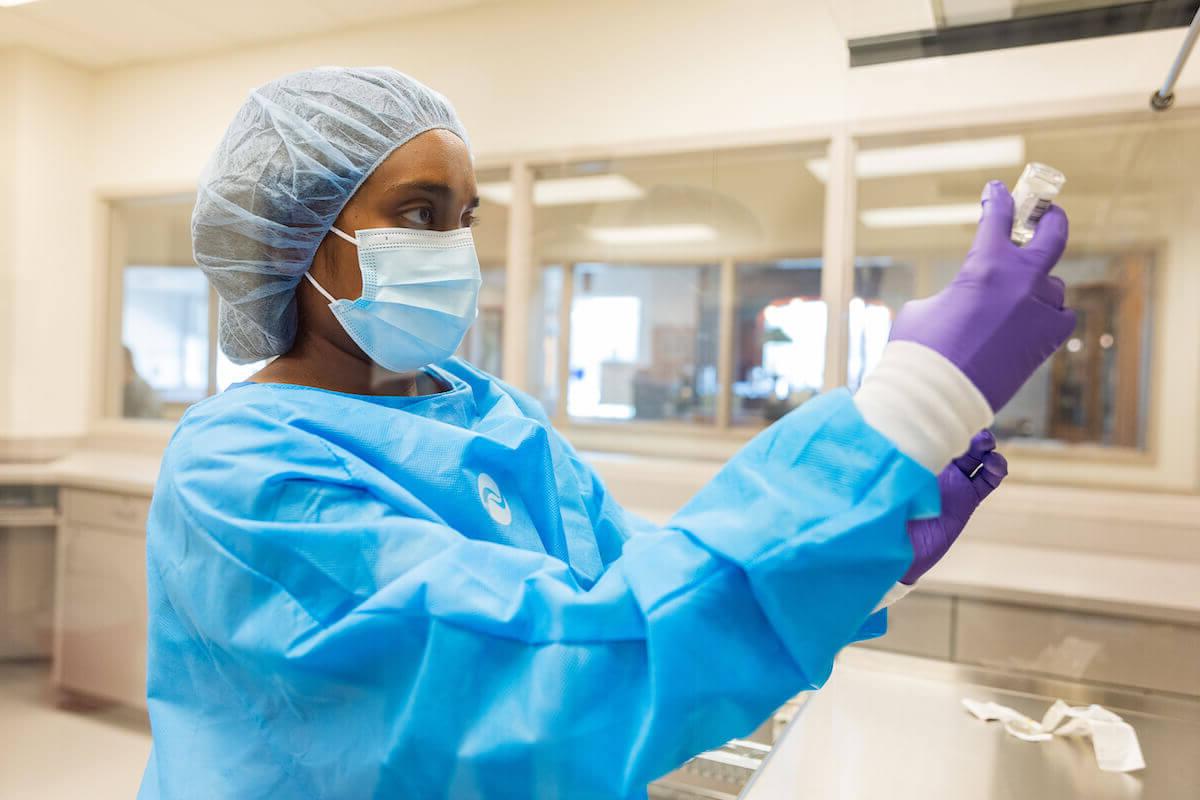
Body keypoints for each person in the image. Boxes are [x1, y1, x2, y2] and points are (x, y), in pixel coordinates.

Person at [139, 67, 1072, 800]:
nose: (455, 249)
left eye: (464, 219)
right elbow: (568, 672)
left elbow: (638, 580)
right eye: (418, 215)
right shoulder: (241, 471)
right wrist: (908, 405)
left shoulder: (486, 415)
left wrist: (862, 536)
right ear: (291, 241)